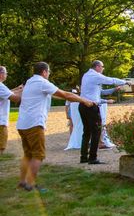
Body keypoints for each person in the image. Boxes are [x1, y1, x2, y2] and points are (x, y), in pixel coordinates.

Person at [17, 62, 94, 191]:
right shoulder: (42, 83)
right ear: (44, 72)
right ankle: (30, 184)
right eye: (49, 72)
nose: (49, 74)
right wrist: (84, 100)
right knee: (38, 155)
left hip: (22, 124)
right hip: (34, 123)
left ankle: (22, 182)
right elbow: (65, 95)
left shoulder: (30, 82)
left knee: (28, 154)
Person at [79, 60, 128, 165]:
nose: (103, 68)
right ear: (97, 67)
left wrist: (114, 90)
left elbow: (99, 93)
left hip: (83, 105)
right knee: (96, 132)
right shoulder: (95, 76)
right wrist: (125, 82)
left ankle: (83, 157)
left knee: (86, 132)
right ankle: (93, 158)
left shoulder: (86, 75)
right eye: (102, 66)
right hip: (91, 107)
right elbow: (110, 80)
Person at [0, 66, 23, 156]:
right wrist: (27, 90)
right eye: (6, 73)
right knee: (1, 145)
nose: (6, 75)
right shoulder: (0, 86)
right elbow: (15, 98)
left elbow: (8, 93)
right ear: (1, 74)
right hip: (1, 120)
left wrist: (18, 88)